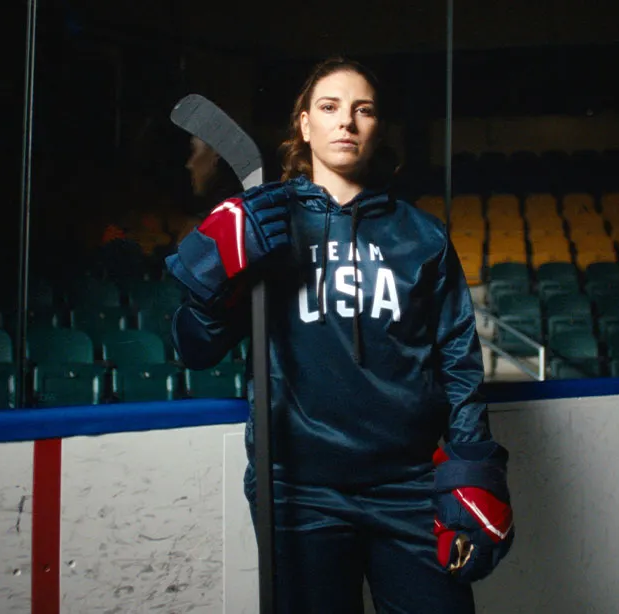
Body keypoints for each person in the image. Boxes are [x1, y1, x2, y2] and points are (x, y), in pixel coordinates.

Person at [164, 57, 515, 613]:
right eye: (329, 108)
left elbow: (458, 364)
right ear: (304, 125)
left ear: (377, 129)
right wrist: (216, 274)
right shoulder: (264, 224)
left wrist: (474, 470)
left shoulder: (422, 238)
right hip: (298, 490)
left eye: (363, 110)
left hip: (409, 489)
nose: (346, 121)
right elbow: (194, 348)